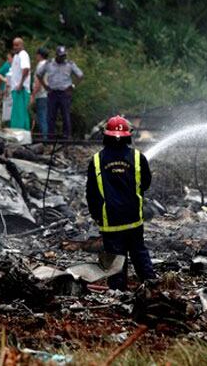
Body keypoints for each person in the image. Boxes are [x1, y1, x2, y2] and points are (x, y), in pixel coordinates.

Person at [86, 116, 155, 291]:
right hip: (133, 219)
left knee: (116, 259)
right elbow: (145, 183)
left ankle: (119, 293)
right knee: (139, 252)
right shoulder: (138, 158)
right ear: (127, 136)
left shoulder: (96, 160)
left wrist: (96, 215)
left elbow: (91, 193)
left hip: (110, 221)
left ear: (106, 136)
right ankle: (151, 286)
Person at [36, 45, 83, 139]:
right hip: (52, 92)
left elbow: (80, 75)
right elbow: (39, 74)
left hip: (64, 93)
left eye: (64, 56)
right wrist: (45, 86)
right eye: (60, 56)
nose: (62, 58)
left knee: (65, 115)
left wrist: (72, 86)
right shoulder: (49, 64)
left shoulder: (69, 64)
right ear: (56, 55)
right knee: (51, 116)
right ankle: (50, 137)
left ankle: (67, 136)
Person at [9, 37, 31, 130]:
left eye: (17, 45)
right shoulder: (16, 56)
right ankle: (23, 133)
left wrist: (21, 84)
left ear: (22, 45)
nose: (15, 47)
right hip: (16, 88)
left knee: (19, 113)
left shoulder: (23, 54)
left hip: (20, 89)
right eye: (14, 45)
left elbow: (26, 69)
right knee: (18, 113)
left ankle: (19, 133)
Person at [30, 47, 49, 137]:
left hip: (41, 94)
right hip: (48, 94)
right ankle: (46, 137)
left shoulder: (40, 65)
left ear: (39, 55)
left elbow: (38, 82)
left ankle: (44, 139)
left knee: (42, 117)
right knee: (45, 116)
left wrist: (33, 94)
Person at [0, 52, 13, 126]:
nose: (7, 60)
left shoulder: (16, 66)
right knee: (7, 111)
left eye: (9, 58)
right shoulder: (7, 65)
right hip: (6, 91)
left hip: (13, 91)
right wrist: (0, 89)